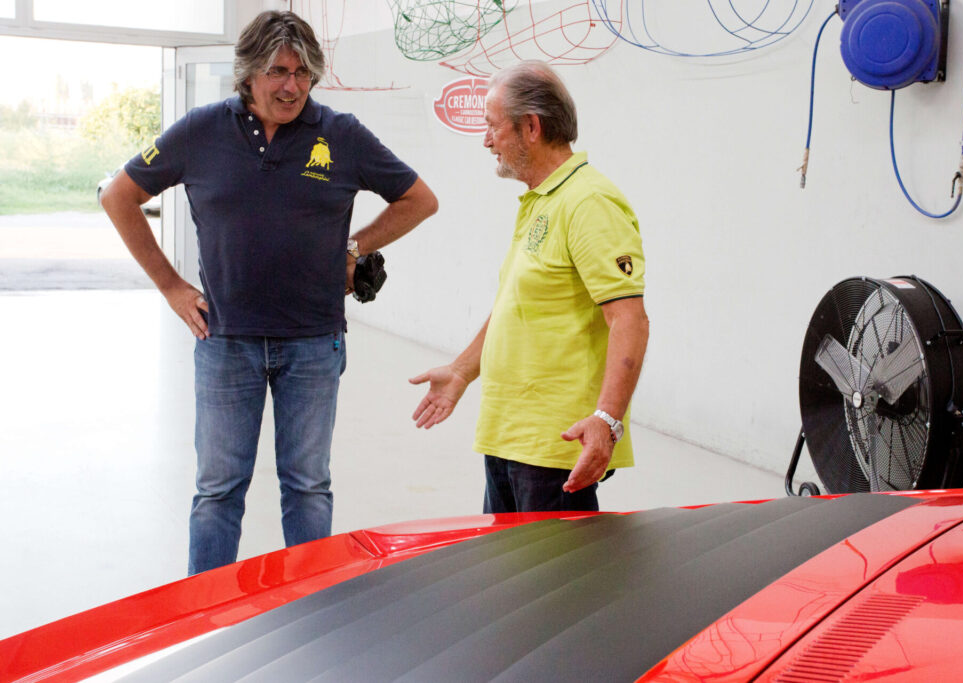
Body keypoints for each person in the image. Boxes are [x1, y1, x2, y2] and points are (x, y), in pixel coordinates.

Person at [102, 10, 437, 574]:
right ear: (249, 73)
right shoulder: (200, 131)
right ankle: (204, 615)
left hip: (314, 343)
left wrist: (353, 249)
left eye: (304, 73)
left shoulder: (341, 134)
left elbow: (419, 199)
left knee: (308, 487)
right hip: (225, 339)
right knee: (218, 492)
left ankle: (308, 604)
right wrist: (172, 287)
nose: (293, 86)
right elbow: (119, 196)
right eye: (280, 71)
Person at [410, 61, 648, 513]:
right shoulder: (543, 200)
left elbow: (630, 320)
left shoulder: (589, 203)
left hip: (553, 447)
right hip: (510, 437)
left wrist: (606, 421)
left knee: (557, 582)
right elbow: (514, 308)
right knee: (507, 578)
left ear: (531, 127)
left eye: (492, 127)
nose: (486, 140)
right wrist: (462, 371)